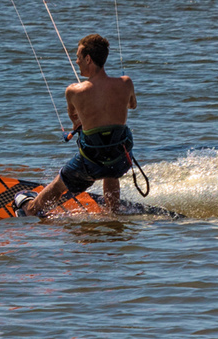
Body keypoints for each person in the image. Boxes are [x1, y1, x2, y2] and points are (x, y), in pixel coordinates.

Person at [16, 34, 137, 217]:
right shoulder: (126, 82)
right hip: (120, 160)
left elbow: (75, 122)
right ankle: (112, 211)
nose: (76, 61)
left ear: (88, 58)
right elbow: (132, 105)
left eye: (79, 56)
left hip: (90, 163)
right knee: (110, 159)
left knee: (59, 185)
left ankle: (29, 209)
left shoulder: (74, 91)